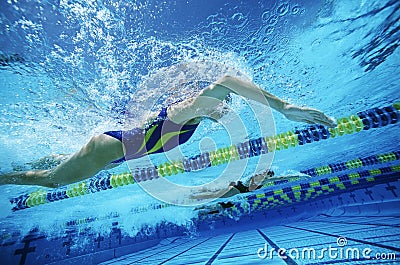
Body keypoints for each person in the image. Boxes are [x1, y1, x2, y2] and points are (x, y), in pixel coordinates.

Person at [0, 75, 336, 188]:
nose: (226, 107)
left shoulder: (196, 115)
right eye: (222, 104)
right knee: (52, 181)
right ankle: (3, 178)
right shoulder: (187, 109)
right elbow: (227, 82)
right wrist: (285, 108)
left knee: (61, 163)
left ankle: (43, 157)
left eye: (227, 105)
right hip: (109, 148)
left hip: (115, 153)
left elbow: (227, 91)